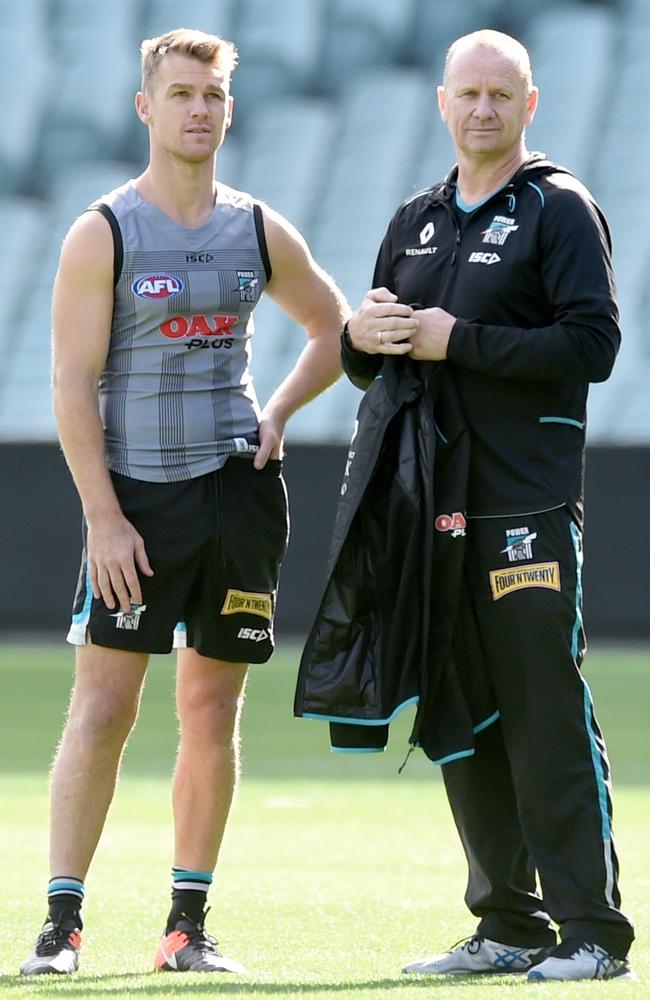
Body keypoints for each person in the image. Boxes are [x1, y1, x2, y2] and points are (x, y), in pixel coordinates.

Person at [298, 29, 634, 983]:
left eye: (502, 95)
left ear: (529, 108)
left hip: (523, 507)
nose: (483, 109)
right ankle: (508, 926)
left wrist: (464, 342)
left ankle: (593, 936)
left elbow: (592, 346)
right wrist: (363, 337)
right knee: (460, 718)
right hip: (430, 512)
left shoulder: (560, 209)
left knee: (544, 713)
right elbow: (382, 356)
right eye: (468, 94)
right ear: (443, 103)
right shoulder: (415, 218)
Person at [20, 28, 349, 977]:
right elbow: (71, 385)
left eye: (212, 94)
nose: (198, 108)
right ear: (145, 108)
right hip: (138, 507)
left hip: (238, 501)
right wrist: (103, 516)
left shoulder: (256, 229)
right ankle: (62, 926)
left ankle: (186, 928)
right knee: (104, 709)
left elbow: (331, 329)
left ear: (229, 108)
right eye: (181, 94)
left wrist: (279, 409)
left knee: (211, 710)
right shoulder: (106, 232)